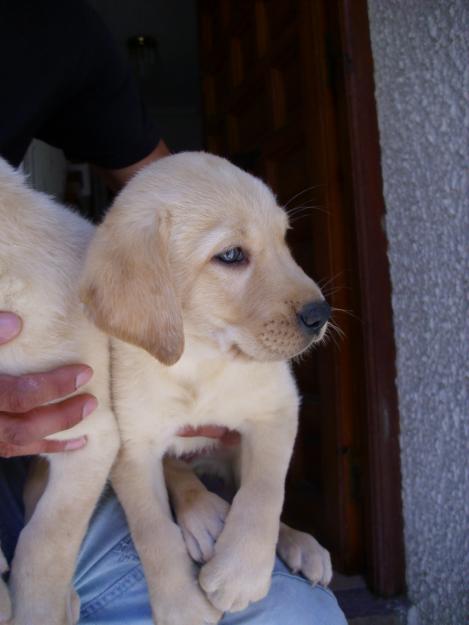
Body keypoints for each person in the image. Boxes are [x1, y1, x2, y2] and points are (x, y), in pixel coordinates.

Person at [0, 1, 347, 623]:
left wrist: (261, 514)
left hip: (57, 443)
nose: (308, 294)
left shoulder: (51, 25)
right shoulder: (130, 305)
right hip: (57, 474)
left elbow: (178, 190)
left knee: (304, 614)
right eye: (236, 255)